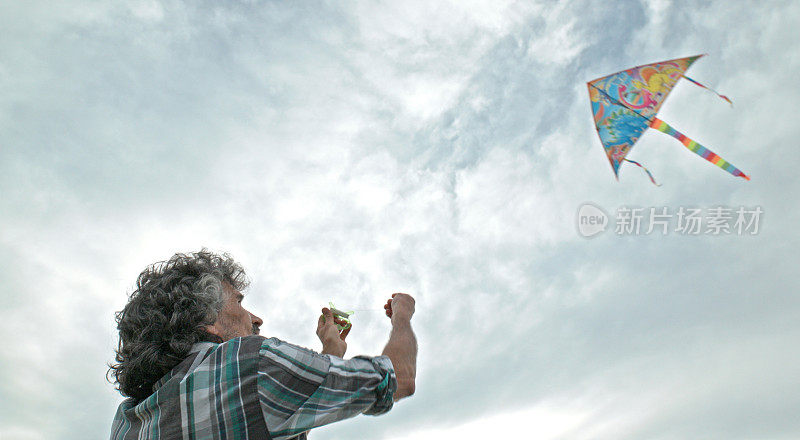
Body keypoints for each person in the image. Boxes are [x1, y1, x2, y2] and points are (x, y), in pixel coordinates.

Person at [108, 250, 417, 440]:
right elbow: (399, 378)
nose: (256, 318)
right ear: (207, 320)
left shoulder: (125, 422)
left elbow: (269, 420)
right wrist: (402, 316)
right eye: (240, 302)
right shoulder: (251, 365)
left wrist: (331, 352)